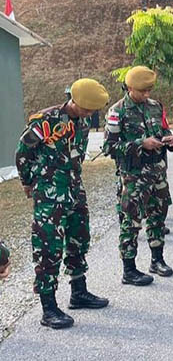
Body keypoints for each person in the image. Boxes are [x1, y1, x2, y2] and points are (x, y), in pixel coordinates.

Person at [15, 78, 110, 329]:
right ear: (74, 101)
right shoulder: (46, 120)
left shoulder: (85, 119)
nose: (89, 114)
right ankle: (49, 308)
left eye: (92, 111)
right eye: (86, 109)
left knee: (80, 238)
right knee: (48, 247)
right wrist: (27, 181)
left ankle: (78, 292)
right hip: (49, 192)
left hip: (74, 188)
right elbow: (22, 152)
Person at [104, 66, 173, 286]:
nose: (147, 95)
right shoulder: (118, 111)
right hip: (133, 177)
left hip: (157, 174)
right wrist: (139, 144)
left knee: (158, 216)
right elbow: (109, 147)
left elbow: (162, 130)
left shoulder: (155, 106)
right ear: (130, 87)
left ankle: (157, 259)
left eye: (149, 90)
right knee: (131, 221)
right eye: (142, 91)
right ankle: (129, 269)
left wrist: (168, 139)